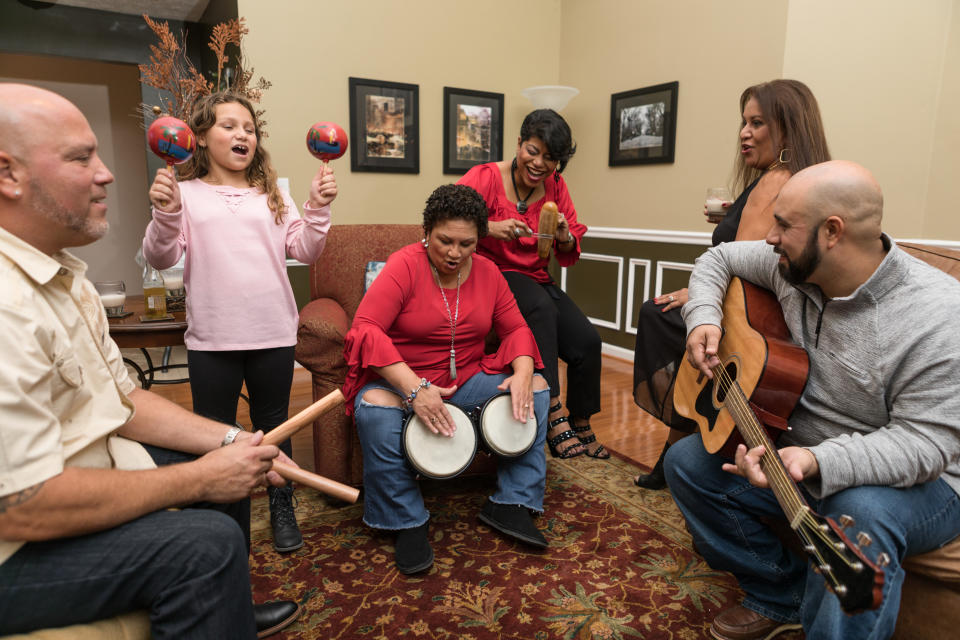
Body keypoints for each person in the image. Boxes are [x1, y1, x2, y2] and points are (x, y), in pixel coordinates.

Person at [0, 83, 302, 638]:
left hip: (268, 336)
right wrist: (198, 478)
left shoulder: (70, 279)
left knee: (232, 442)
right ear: (7, 174)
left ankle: (227, 602)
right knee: (207, 528)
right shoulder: (6, 303)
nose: (107, 172)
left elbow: (124, 396)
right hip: (14, 537)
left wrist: (228, 444)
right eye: (80, 156)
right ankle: (218, 580)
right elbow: (19, 505)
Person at [666, 160, 960, 639]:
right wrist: (704, 318)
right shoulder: (792, 266)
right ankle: (782, 597)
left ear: (832, 232)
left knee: (857, 514)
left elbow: (926, 445)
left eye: (784, 224)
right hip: (800, 449)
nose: (770, 237)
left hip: (924, 479)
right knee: (686, 464)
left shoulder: (937, 315)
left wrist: (814, 460)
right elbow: (717, 260)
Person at [144, 91, 337, 553]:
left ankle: (281, 501)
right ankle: (225, 523)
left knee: (275, 426)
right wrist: (165, 213)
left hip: (272, 331)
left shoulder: (275, 196)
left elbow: (306, 251)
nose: (242, 135)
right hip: (213, 337)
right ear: (201, 138)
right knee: (217, 431)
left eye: (249, 128)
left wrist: (317, 207)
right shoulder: (184, 194)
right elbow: (160, 254)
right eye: (229, 126)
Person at [343, 184, 551, 574]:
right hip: (401, 380)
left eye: (467, 243)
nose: (455, 253)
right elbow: (366, 329)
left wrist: (523, 371)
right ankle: (405, 520)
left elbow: (517, 330)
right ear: (426, 232)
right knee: (372, 409)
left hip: (466, 379)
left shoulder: (488, 273)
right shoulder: (404, 265)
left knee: (537, 388)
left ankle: (512, 502)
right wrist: (415, 389)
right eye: (445, 241)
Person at [632, 79, 830, 488]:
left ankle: (677, 450)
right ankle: (674, 453)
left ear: (788, 128)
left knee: (658, 314)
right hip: (770, 314)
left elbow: (742, 265)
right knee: (678, 323)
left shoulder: (776, 180)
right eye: (744, 122)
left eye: (757, 123)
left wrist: (698, 296)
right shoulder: (801, 179)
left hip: (751, 316)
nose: (744, 132)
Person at [458, 109, 607, 459]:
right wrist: (490, 228)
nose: (539, 163)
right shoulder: (485, 177)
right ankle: (552, 409)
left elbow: (569, 250)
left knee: (588, 340)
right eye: (533, 151)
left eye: (550, 158)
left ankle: (581, 420)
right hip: (490, 276)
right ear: (519, 143)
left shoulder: (556, 186)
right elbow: (447, 221)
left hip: (536, 278)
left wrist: (564, 236)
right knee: (539, 309)